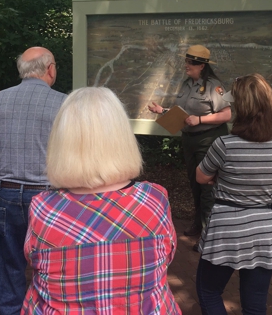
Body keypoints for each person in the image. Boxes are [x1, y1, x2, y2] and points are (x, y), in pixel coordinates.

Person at [22, 87, 181, 314]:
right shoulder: (154, 199)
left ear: (62, 141)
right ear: (121, 136)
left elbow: (34, 261)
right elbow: (166, 258)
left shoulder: (43, 208)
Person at [0, 47, 66, 315]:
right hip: (51, 197)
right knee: (54, 262)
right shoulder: (65, 104)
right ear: (50, 69)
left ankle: (12, 311)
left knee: (9, 261)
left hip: (7, 194)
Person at [195, 74, 272, 314]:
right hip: (264, 230)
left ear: (241, 108)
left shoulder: (224, 144)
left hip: (227, 229)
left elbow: (201, 176)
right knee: (255, 304)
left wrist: (219, 176)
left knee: (209, 290)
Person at [148, 45, 231, 249]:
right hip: (190, 140)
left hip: (209, 140)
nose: (187, 65)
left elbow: (228, 115)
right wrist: (163, 110)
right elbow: (184, 113)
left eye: (191, 62)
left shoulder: (215, 86)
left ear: (202, 66)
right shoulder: (186, 84)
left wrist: (201, 119)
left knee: (207, 187)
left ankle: (208, 234)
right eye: (186, 61)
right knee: (195, 184)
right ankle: (198, 222)